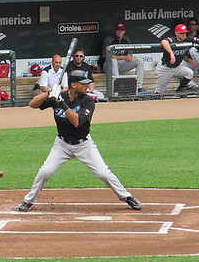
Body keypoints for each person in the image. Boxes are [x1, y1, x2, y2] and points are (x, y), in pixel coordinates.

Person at [15, 70, 141, 212]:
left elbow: (76, 121)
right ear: (74, 85)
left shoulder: (87, 101)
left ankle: (127, 197)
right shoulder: (59, 96)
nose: (87, 86)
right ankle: (29, 201)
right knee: (45, 172)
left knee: (103, 173)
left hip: (84, 145)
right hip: (62, 144)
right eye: (83, 84)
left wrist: (61, 102)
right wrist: (49, 93)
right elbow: (32, 104)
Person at [101, 23, 145, 90]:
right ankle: (118, 86)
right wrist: (124, 57)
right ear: (114, 31)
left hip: (120, 65)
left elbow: (130, 53)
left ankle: (139, 87)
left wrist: (129, 57)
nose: (119, 32)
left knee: (139, 60)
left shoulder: (126, 39)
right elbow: (108, 56)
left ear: (124, 31)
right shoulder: (109, 40)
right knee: (113, 60)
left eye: (121, 30)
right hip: (107, 66)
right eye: (118, 30)